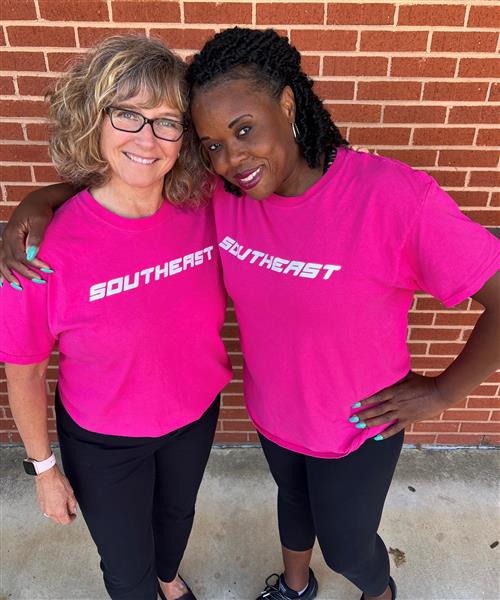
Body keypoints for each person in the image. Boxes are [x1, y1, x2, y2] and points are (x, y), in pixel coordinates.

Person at [1, 27, 499, 600]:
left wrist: (442, 393)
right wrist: (37, 203)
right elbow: (122, 188)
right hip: (237, 424)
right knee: (247, 522)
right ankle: (284, 584)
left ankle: (368, 591)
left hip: (320, 425)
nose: (233, 157)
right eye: (213, 144)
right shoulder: (211, 200)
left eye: (242, 130)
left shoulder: (364, 199)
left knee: (328, 543)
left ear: (286, 105)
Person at [0, 35, 232, 600]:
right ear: (92, 119)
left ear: (185, 136)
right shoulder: (40, 248)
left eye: (166, 121)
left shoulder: (208, 207)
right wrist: (45, 470)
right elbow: (25, 370)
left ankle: (170, 580)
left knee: (174, 527)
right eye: (127, 114)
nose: (147, 139)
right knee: (128, 573)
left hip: (194, 416)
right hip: (104, 441)